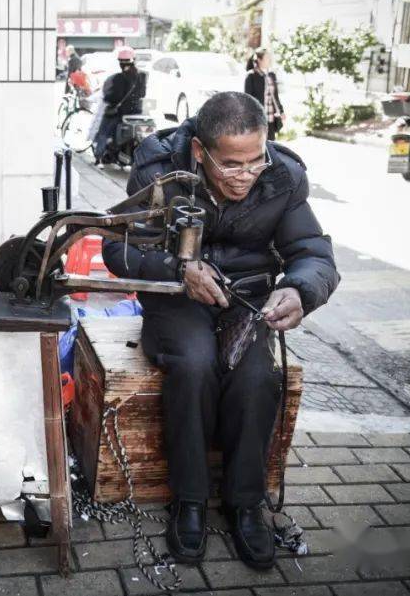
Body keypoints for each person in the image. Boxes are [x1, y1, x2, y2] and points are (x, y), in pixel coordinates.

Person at [102, 92, 339, 570]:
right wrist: (177, 268)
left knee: (258, 377)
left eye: (255, 161)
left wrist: (299, 291)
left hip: (246, 302)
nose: (245, 175)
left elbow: (313, 253)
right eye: (231, 165)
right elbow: (118, 247)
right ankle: (189, 500)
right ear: (200, 151)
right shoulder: (159, 171)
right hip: (178, 300)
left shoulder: (283, 176)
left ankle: (245, 504)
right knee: (194, 365)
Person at [92, 46, 146, 165]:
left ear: (120, 62)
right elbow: (142, 93)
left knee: (103, 132)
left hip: (120, 113)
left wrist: (107, 98)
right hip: (136, 112)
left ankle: (98, 157)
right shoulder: (142, 75)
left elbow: (114, 97)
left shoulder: (119, 78)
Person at [244, 48, 285, 140]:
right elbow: (247, 99)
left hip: (271, 117)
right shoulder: (251, 76)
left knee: (271, 143)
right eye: (267, 58)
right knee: (259, 144)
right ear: (259, 60)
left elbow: (275, 96)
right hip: (258, 119)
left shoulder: (271, 75)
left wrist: (281, 111)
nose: (269, 60)